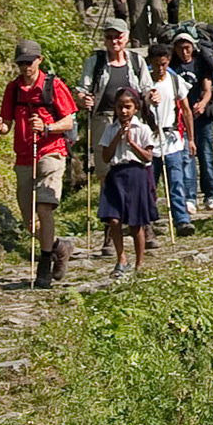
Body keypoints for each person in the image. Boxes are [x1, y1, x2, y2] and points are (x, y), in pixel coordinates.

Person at [0, 39, 78, 289]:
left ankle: (44, 265)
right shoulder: (13, 89)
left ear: (39, 60)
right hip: (25, 156)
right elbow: (7, 124)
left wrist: (47, 127)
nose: (25, 67)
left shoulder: (53, 85)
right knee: (30, 222)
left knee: (44, 207)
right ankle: (60, 247)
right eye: (20, 63)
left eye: (29, 62)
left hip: (51, 151)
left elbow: (69, 121)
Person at [82, 18, 142, 257]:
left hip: (132, 121)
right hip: (104, 120)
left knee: (136, 170)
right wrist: (83, 98)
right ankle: (111, 228)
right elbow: (83, 88)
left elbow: (146, 89)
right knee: (106, 174)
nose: (114, 41)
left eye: (118, 36)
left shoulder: (136, 61)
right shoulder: (95, 62)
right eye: (109, 37)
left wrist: (154, 96)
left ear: (126, 37)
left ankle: (140, 225)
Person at [96, 87, 158, 278]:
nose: (123, 111)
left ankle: (140, 262)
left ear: (136, 108)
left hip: (136, 174)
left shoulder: (143, 129)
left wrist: (131, 143)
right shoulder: (111, 129)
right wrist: (117, 138)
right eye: (120, 107)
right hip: (116, 174)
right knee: (114, 219)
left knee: (135, 223)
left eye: (128, 107)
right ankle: (121, 258)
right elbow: (106, 157)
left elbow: (148, 157)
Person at [143, 41, 196, 236]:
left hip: (172, 139)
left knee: (176, 181)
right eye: (156, 64)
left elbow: (186, 110)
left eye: (164, 64)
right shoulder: (144, 83)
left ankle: (181, 220)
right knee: (150, 184)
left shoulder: (175, 81)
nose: (160, 69)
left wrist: (190, 139)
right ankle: (149, 220)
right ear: (150, 62)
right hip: (150, 139)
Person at [170, 29, 213, 212]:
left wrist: (202, 103)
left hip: (202, 116)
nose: (184, 52)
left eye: (187, 48)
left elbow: (208, 88)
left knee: (206, 156)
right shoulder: (173, 68)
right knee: (187, 158)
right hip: (182, 119)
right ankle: (190, 197)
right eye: (180, 48)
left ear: (193, 47)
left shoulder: (200, 65)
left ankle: (210, 194)